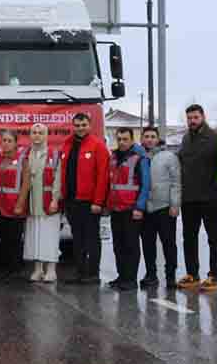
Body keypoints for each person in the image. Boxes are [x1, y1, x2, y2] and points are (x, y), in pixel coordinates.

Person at [177, 103, 217, 293]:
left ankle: (214, 275)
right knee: (189, 237)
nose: (192, 121)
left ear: (203, 117)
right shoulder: (186, 139)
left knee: (214, 237)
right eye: (189, 118)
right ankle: (192, 274)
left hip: (210, 197)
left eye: (195, 117)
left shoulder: (216, 139)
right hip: (189, 198)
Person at [61, 113, 111, 285]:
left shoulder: (98, 145)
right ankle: (80, 272)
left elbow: (103, 176)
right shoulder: (67, 144)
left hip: (89, 202)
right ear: (73, 126)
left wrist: (98, 202)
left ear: (89, 125)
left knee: (92, 239)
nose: (80, 128)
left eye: (83, 125)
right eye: (77, 125)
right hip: (71, 201)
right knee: (77, 239)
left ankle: (93, 274)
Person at [16, 123, 61, 283]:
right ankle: (37, 269)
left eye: (40, 132)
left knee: (50, 236)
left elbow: (58, 179)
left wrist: (55, 199)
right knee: (34, 237)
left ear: (46, 135)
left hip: (48, 202)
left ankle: (51, 270)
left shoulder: (54, 154)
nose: (37, 135)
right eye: (34, 132)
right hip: (32, 202)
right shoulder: (25, 154)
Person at [107, 128, 151, 291]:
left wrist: (139, 207)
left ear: (132, 140)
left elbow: (146, 184)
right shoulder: (113, 157)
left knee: (131, 246)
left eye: (125, 139)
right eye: (119, 139)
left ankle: (131, 279)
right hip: (115, 208)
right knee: (118, 246)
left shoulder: (140, 158)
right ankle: (122, 276)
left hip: (131, 209)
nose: (122, 142)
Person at [140, 126, 182, 290]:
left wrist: (175, 204)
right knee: (148, 244)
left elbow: (176, 182)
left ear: (158, 139)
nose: (149, 139)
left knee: (168, 243)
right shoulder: (139, 156)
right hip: (146, 208)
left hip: (164, 207)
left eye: (152, 136)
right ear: (142, 139)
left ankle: (170, 276)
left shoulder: (169, 157)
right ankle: (151, 275)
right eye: (146, 136)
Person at [0, 130, 27, 281]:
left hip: (15, 207)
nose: (6, 143)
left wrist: (20, 204)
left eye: (9, 141)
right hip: (1, 207)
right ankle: (9, 270)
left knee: (15, 240)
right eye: (4, 140)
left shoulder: (22, 159)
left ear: (16, 143)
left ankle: (17, 270)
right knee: (5, 240)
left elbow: (26, 184)